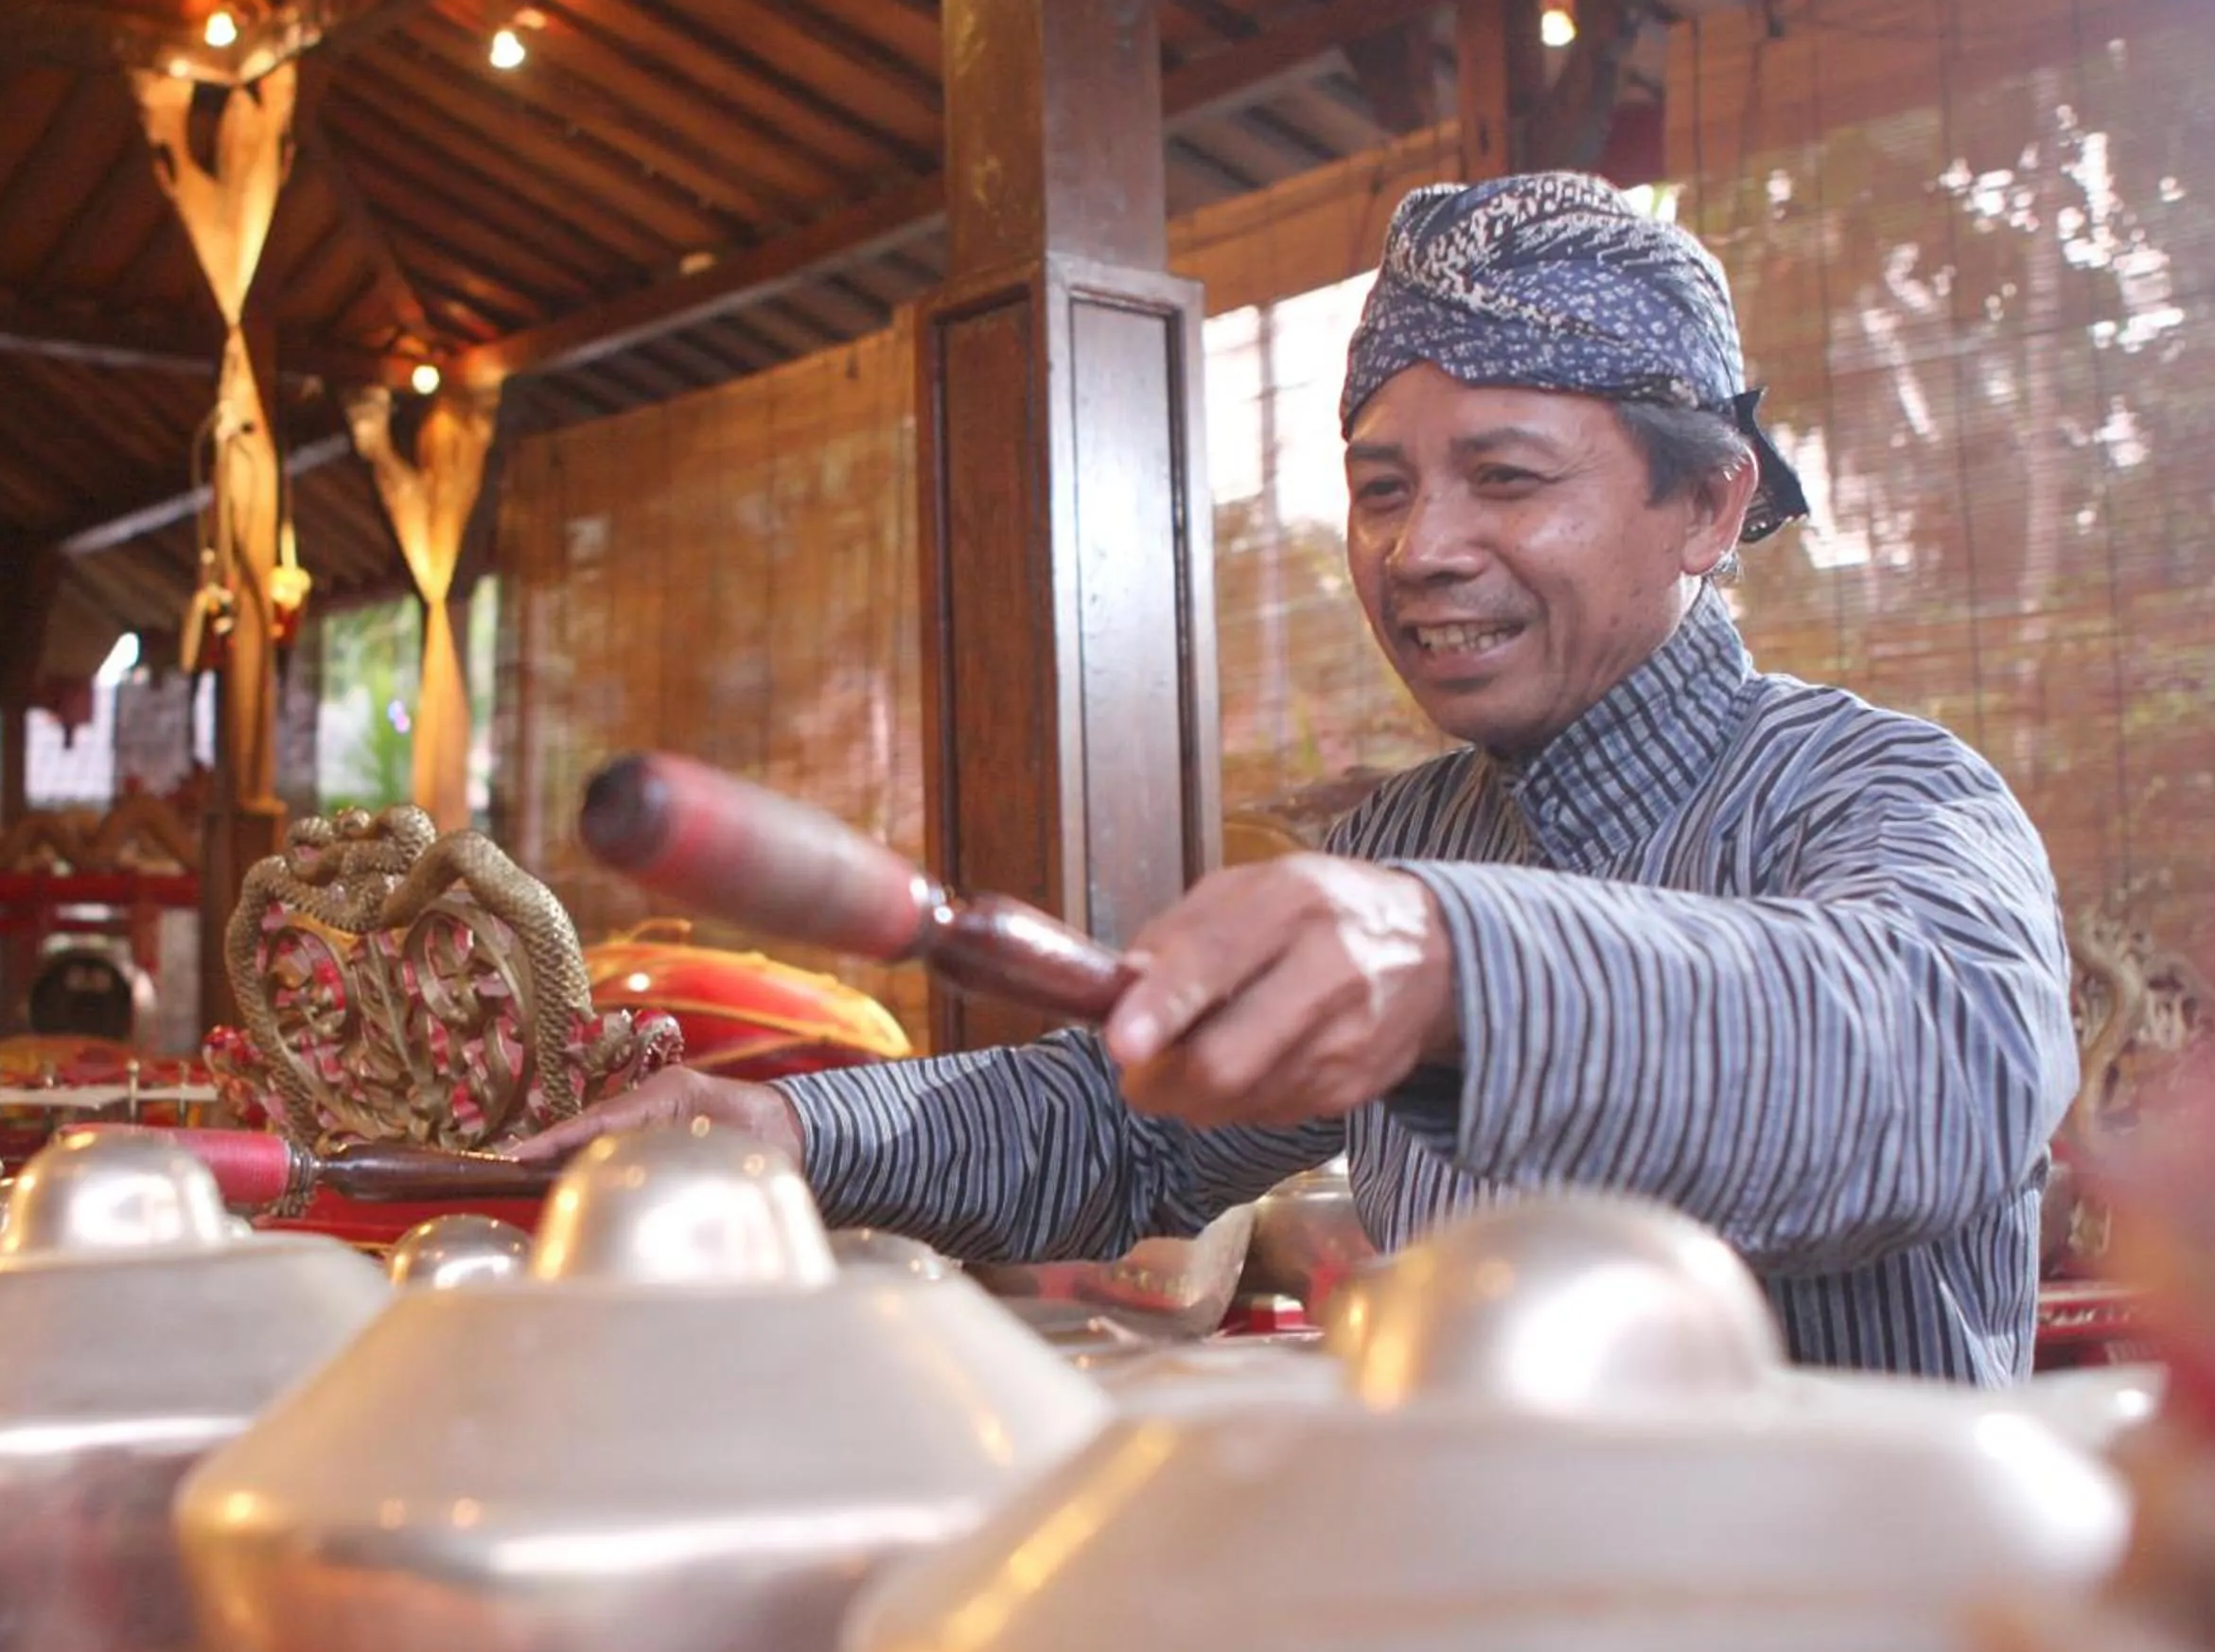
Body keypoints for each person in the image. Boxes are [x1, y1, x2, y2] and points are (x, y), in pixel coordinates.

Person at [517, 172, 2076, 1386]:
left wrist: (1451, 965)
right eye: (1382, 488)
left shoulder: (1880, 793)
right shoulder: (1415, 832)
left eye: (1509, 478)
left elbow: (1945, 1064)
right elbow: (1127, 1130)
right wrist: (801, 1136)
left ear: (1709, 505)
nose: (1423, 550)